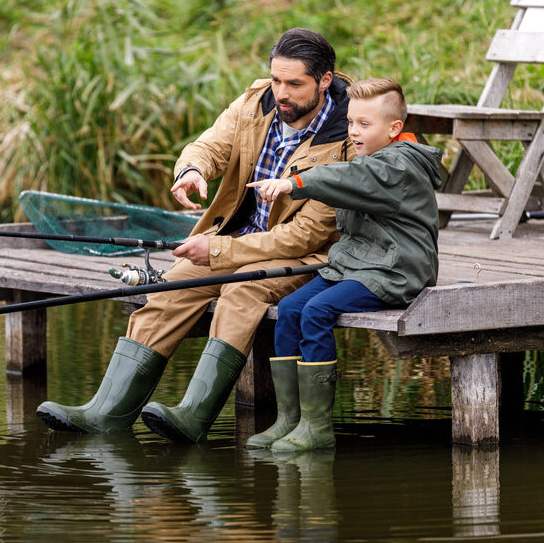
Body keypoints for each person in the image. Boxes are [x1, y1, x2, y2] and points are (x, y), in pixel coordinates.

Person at [37, 28, 356, 442]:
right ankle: (106, 413)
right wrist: (191, 170)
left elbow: (305, 235)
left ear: (324, 81)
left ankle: (194, 415)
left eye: (294, 84)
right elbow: (209, 145)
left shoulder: (347, 137)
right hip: (235, 242)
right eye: (277, 80)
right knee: (171, 287)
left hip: (305, 256)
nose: (282, 92)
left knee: (242, 292)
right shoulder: (256, 102)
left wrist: (219, 249)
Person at [244, 78, 443, 451]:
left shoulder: (397, 165)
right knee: (289, 308)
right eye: (351, 122)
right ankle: (289, 419)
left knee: (318, 310)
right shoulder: (370, 155)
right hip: (358, 265)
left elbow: (350, 177)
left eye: (364, 125)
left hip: (397, 271)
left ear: (394, 128)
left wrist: (294, 183)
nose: (353, 132)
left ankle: (317, 427)